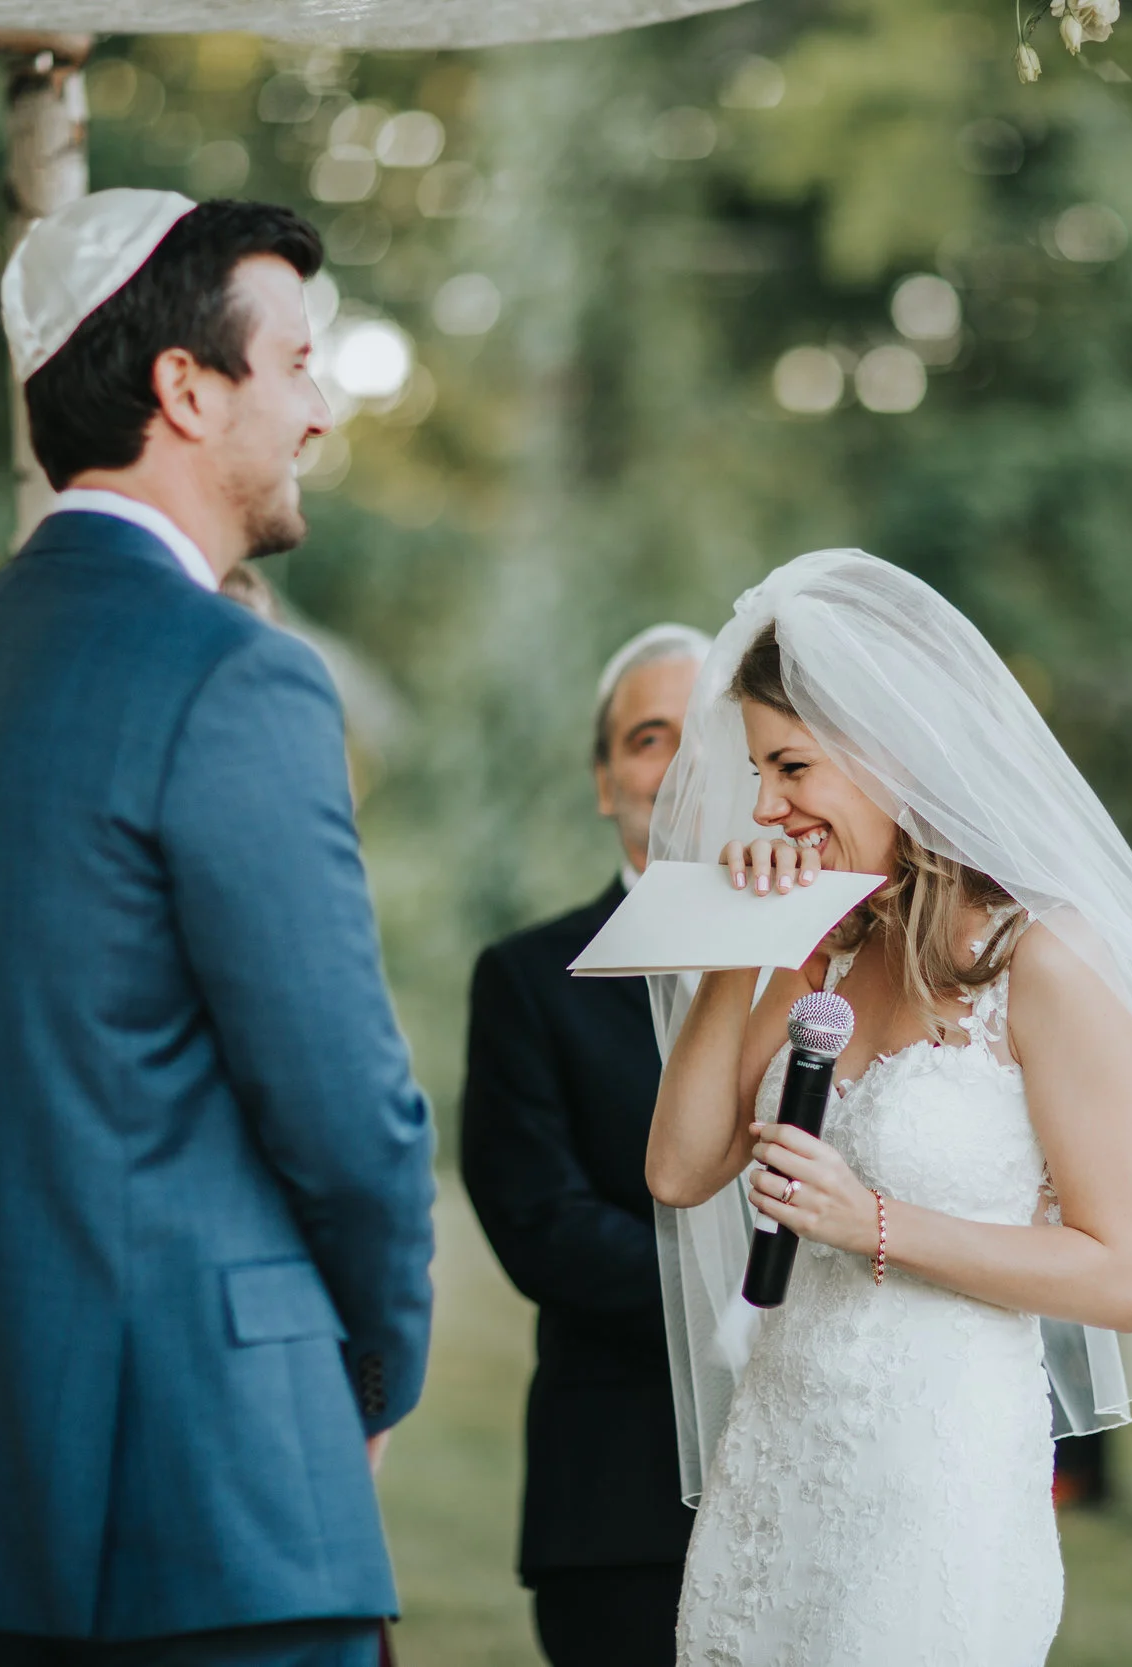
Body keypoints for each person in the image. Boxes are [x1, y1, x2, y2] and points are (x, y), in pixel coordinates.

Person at [0, 191, 435, 1667]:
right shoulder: (237, 675)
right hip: (211, 1513)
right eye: (295, 362)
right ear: (185, 387)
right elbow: (349, 1111)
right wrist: (360, 1372)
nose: (316, 409)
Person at [643, 550, 1132, 1665]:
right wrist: (735, 945)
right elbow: (678, 1169)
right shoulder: (819, 943)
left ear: (890, 750)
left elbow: (1120, 1274)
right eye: (755, 772)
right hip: (779, 1453)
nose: (766, 803)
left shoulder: (1051, 956)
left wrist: (869, 1222)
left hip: (936, 1473)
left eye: (789, 765)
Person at [461, 623, 710, 1667]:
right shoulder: (526, 980)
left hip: (836, 1466)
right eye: (649, 736)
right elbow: (544, 1228)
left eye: (710, 733)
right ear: (607, 780)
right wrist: (749, 1297)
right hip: (620, 1495)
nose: (681, 760)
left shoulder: (842, 967)